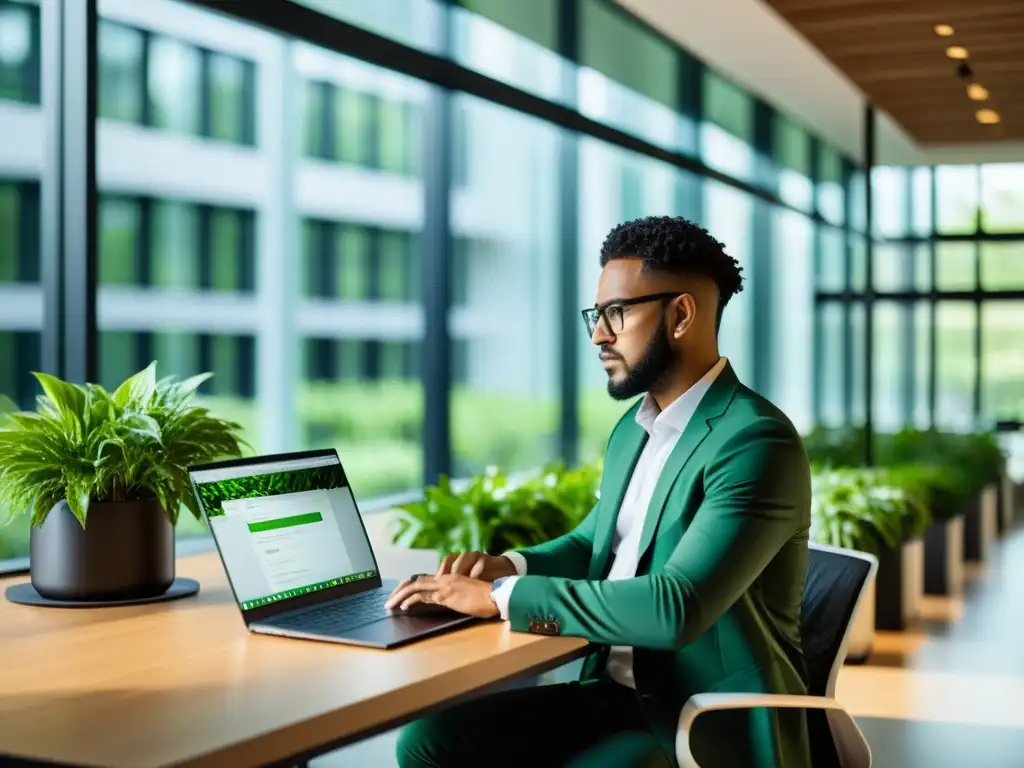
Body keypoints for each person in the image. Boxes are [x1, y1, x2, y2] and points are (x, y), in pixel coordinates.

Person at [386, 216, 812, 768]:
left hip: (699, 718)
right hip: (614, 695)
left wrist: (497, 602)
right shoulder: (635, 429)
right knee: (425, 742)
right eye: (598, 314)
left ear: (681, 315)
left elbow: (675, 607)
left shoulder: (755, 441)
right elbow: (598, 542)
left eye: (618, 313)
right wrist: (507, 568)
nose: (598, 335)